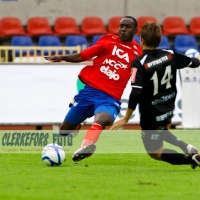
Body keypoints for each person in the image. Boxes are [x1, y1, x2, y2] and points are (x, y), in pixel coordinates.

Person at [44, 16, 142, 162]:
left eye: (127, 27)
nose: (123, 29)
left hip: (110, 98)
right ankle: (77, 125)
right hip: (89, 92)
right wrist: (62, 57)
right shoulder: (108, 40)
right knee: (64, 131)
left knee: (103, 119)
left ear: (135, 30)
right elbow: (84, 55)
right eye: (121, 26)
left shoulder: (138, 53)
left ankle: (86, 146)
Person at [110, 22, 200, 169]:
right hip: (168, 108)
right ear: (159, 40)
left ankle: (192, 159)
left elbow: (136, 92)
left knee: (155, 151)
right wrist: (197, 57)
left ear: (142, 40)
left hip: (151, 113)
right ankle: (187, 147)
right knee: (160, 130)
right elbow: (195, 63)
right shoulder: (170, 55)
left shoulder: (138, 63)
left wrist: (126, 117)